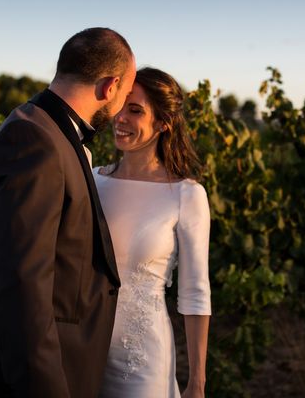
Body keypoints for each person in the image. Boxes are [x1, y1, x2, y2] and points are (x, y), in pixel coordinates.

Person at [0, 27, 136, 398]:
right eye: (125, 93)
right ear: (109, 86)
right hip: (20, 380)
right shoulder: (34, 140)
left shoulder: (45, 128)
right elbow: (22, 289)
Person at [94, 67, 212, 398]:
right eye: (120, 106)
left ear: (163, 123)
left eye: (135, 110)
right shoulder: (91, 180)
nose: (120, 118)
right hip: (85, 351)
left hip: (142, 360)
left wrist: (197, 382)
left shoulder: (185, 195)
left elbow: (195, 293)